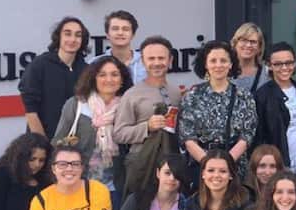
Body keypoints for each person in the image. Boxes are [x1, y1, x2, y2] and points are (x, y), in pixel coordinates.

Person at [253, 41, 296, 206]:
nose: (284, 67)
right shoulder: (263, 95)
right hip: (282, 161)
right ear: (269, 66)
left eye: (289, 62)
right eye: (278, 64)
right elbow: (259, 135)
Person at [179, 40, 259, 179]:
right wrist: (209, 166)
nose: (218, 65)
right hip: (202, 168)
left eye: (223, 60)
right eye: (213, 61)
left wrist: (225, 164)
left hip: (234, 167)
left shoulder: (244, 96)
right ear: (205, 64)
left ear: (231, 64)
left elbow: (247, 135)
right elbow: (187, 136)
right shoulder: (192, 96)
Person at [54, 56, 133, 195]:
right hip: (79, 185)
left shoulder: (128, 106)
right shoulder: (76, 105)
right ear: (93, 78)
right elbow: (57, 143)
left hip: (116, 187)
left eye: (115, 74)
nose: (109, 79)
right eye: (102, 75)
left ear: (122, 80)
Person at [113, 36, 181, 196]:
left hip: (170, 164)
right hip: (141, 163)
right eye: (151, 58)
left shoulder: (176, 92)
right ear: (143, 61)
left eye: (161, 58)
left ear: (170, 60)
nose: (156, 63)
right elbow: (119, 134)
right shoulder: (132, 94)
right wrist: (147, 127)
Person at [20, 16, 89, 137]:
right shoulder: (40, 65)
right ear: (59, 37)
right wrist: (41, 144)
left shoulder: (86, 70)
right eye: (67, 34)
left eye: (78, 35)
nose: (73, 39)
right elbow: (31, 110)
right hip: (44, 141)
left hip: (76, 144)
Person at [94, 9, 146, 85]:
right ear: (107, 34)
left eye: (125, 29)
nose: (120, 33)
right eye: (115, 29)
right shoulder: (94, 63)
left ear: (133, 34)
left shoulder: (146, 64)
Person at [231, 22, 270, 95]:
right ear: (235, 43)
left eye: (253, 42)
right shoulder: (225, 71)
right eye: (244, 40)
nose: (248, 45)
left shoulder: (268, 73)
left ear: (259, 47)